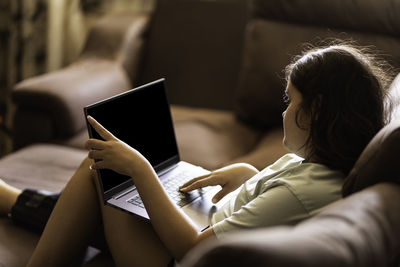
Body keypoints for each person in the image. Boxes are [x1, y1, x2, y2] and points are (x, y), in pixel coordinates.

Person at [0, 42, 394, 267]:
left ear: (317, 112)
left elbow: (195, 251)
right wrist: (245, 174)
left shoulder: (304, 191)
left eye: (291, 102)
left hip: (175, 258)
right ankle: (15, 200)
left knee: (100, 169)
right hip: (206, 217)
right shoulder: (318, 165)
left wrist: (140, 170)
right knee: (113, 190)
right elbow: (272, 196)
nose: (283, 111)